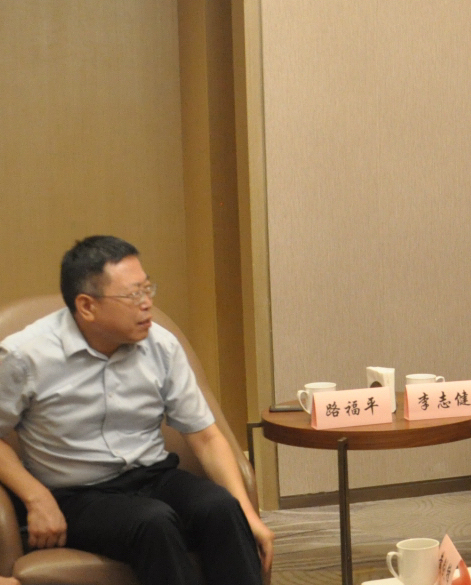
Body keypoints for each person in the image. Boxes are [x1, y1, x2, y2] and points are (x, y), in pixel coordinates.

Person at [0, 236, 273, 585]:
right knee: (153, 522)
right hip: (76, 495)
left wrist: (248, 514)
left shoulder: (161, 344)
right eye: (133, 295)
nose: (147, 304)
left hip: (153, 476)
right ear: (87, 306)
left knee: (221, 508)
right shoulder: (25, 355)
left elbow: (205, 437)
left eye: (148, 289)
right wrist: (36, 497)